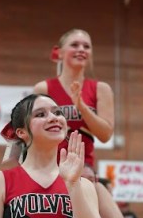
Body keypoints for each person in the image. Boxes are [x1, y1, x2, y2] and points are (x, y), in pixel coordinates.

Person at [33, 28, 114, 170]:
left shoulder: (101, 89)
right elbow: (34, 132)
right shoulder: (43, 88)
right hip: (49, 167)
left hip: (84, 169)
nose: (81, 49)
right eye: (75, 45)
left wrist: (81, 107)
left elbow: (105, 135)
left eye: (86, 46)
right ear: (59, 52)